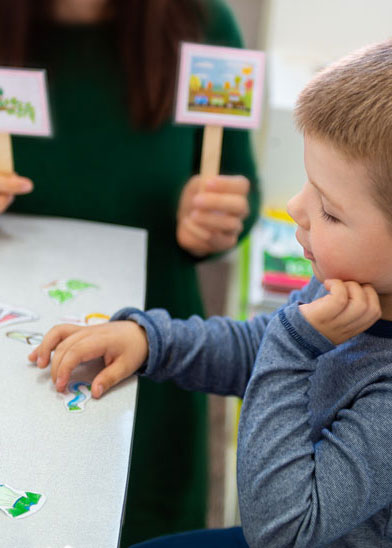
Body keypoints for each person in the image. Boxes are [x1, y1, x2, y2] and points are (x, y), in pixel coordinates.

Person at [29, 30, 392, 547]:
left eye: (329, 209)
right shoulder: (359, 280)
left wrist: (295, 346)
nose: (297, 209)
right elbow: (267, 344)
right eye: (308, 184)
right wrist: (152, 342)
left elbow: (282, 531)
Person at [0, 0, 260, 545]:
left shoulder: (204, 22)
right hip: (15, 357)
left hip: (152, 357)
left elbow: (240, 186)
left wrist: (216, 220)